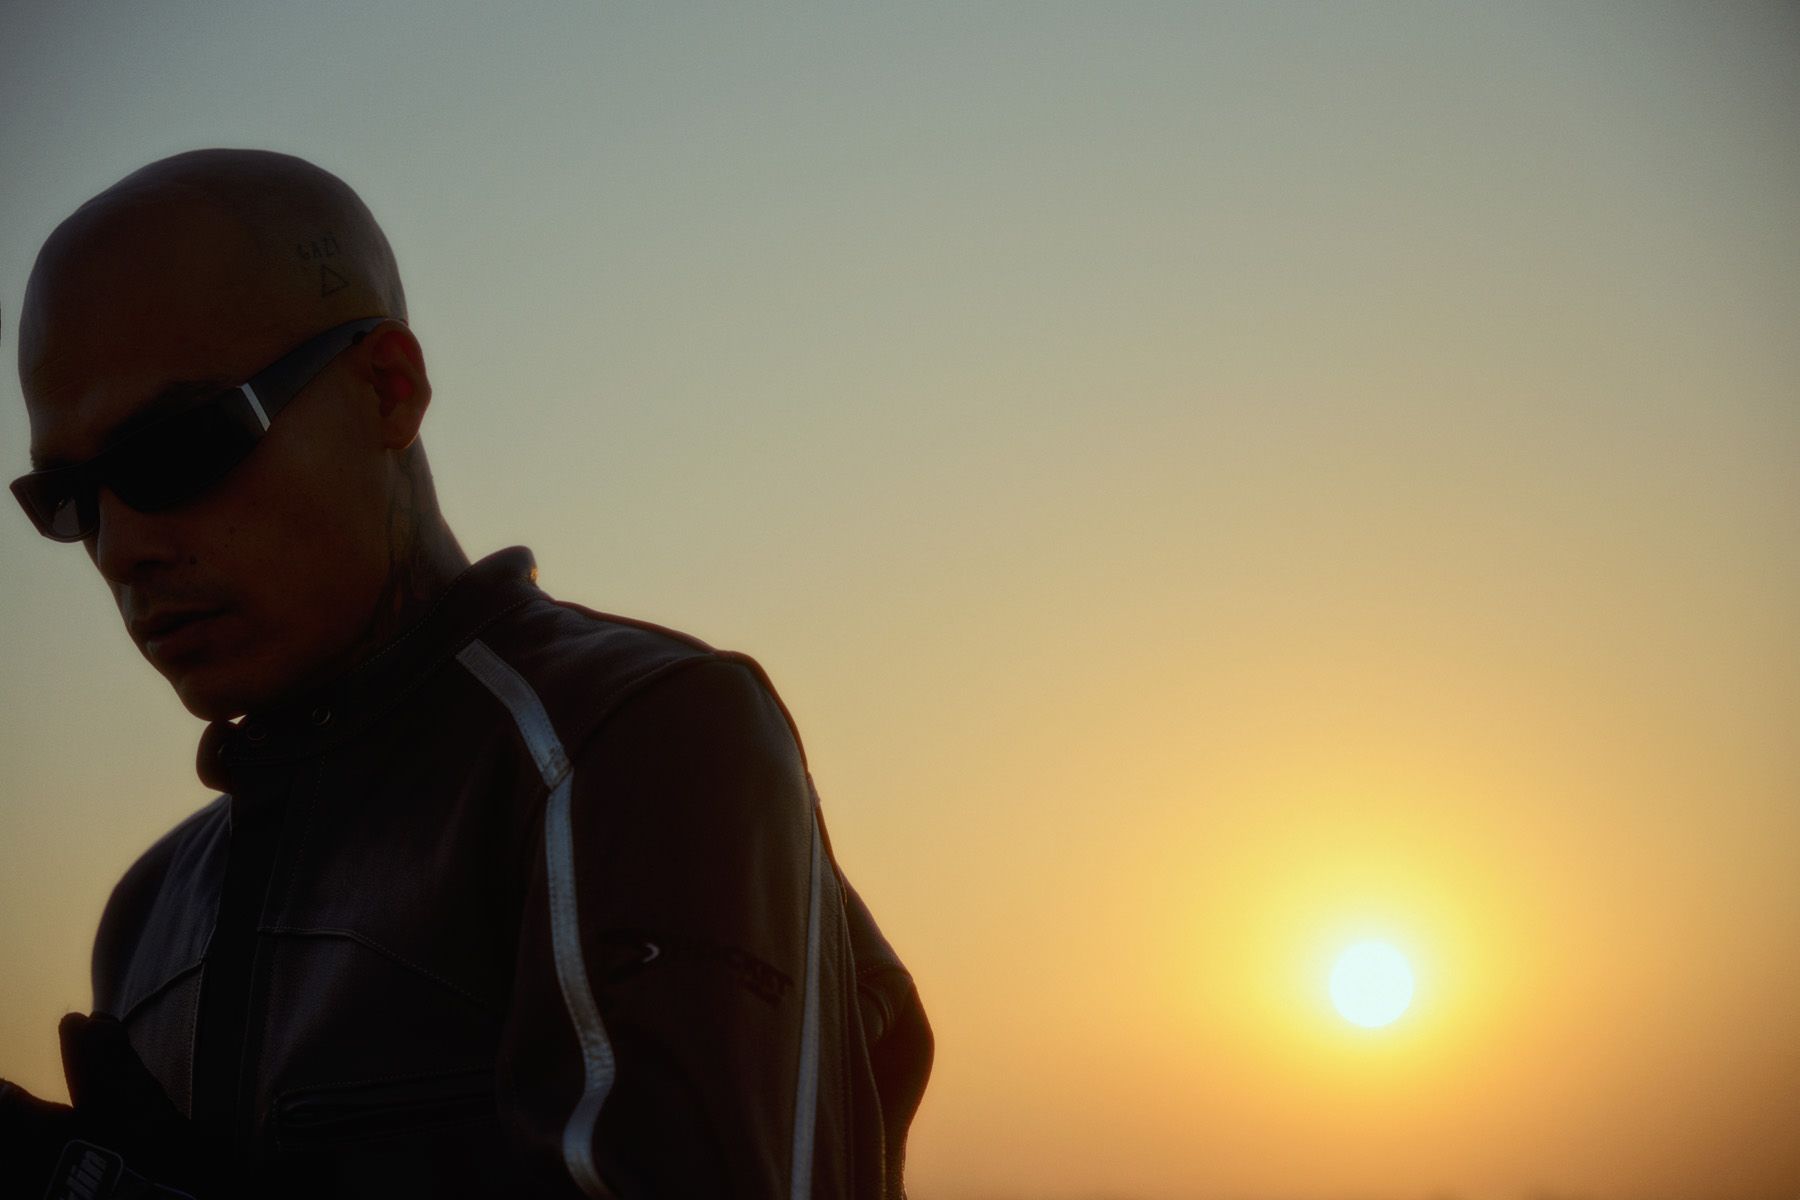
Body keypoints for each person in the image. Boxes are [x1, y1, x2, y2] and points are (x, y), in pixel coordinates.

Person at [0, 149, 931, 1199]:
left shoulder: (633, 740)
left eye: (177, 450)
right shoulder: (149, 913)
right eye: (68, 499)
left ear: (387, 389)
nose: (122, 547)